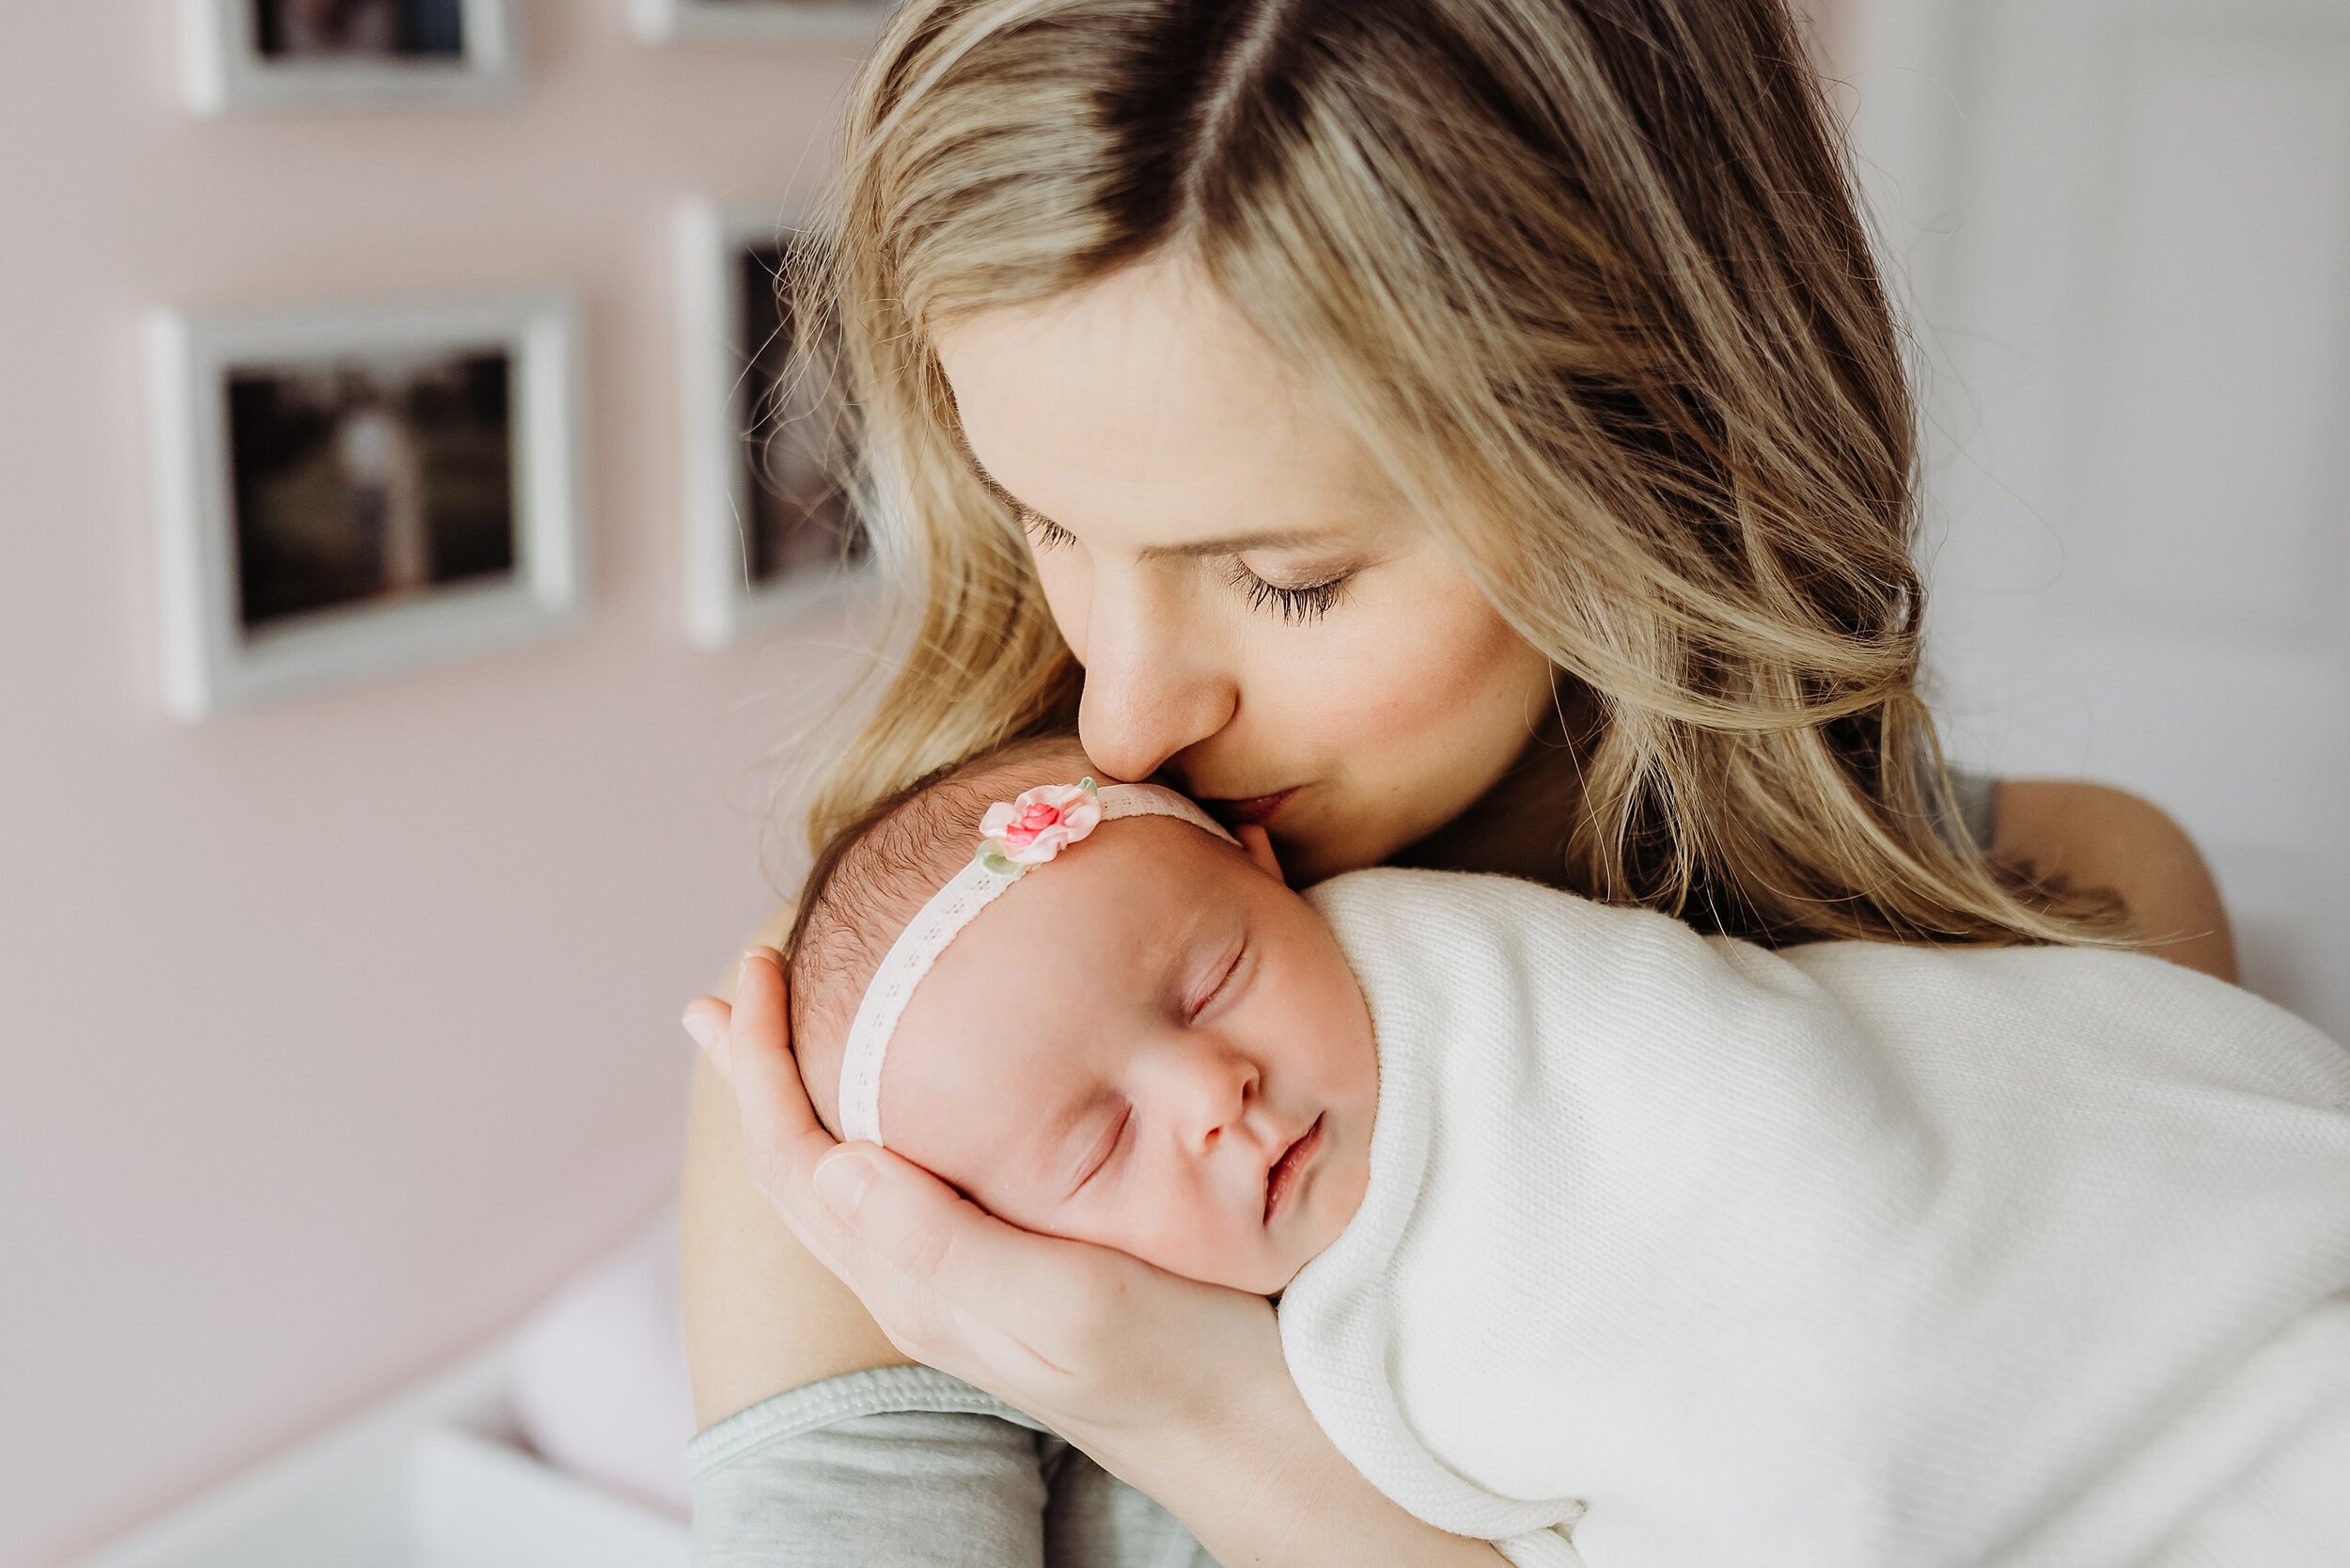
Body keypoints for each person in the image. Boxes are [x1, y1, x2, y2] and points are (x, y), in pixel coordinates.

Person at [680, 1, 2241, 1561]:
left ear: (1649, 456)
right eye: (1046, 522)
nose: (1126, 718)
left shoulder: (2067, 906)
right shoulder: (910, 1073)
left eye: (1285, 578)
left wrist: (1182, 1405)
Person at [755, 740, 2349, 1566]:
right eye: (1099, 1142)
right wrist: (1169, 1393)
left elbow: (1907, 1240)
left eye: (1217, 981)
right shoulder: (886, 1130)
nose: (1215, 1094)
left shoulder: (1480, 986)